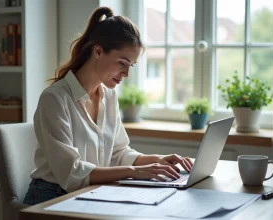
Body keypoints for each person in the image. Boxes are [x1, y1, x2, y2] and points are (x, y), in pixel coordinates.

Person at [23, 6, 193, 206]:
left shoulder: (109, 96)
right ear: (98, 51)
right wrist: (136, 172)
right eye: (122, 63)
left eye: (131, 66)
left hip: (92, 192)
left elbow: (118, 153)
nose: (126, 74)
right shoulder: (54, 99)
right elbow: (71, 173)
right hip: (51, 196)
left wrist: (156, 161)